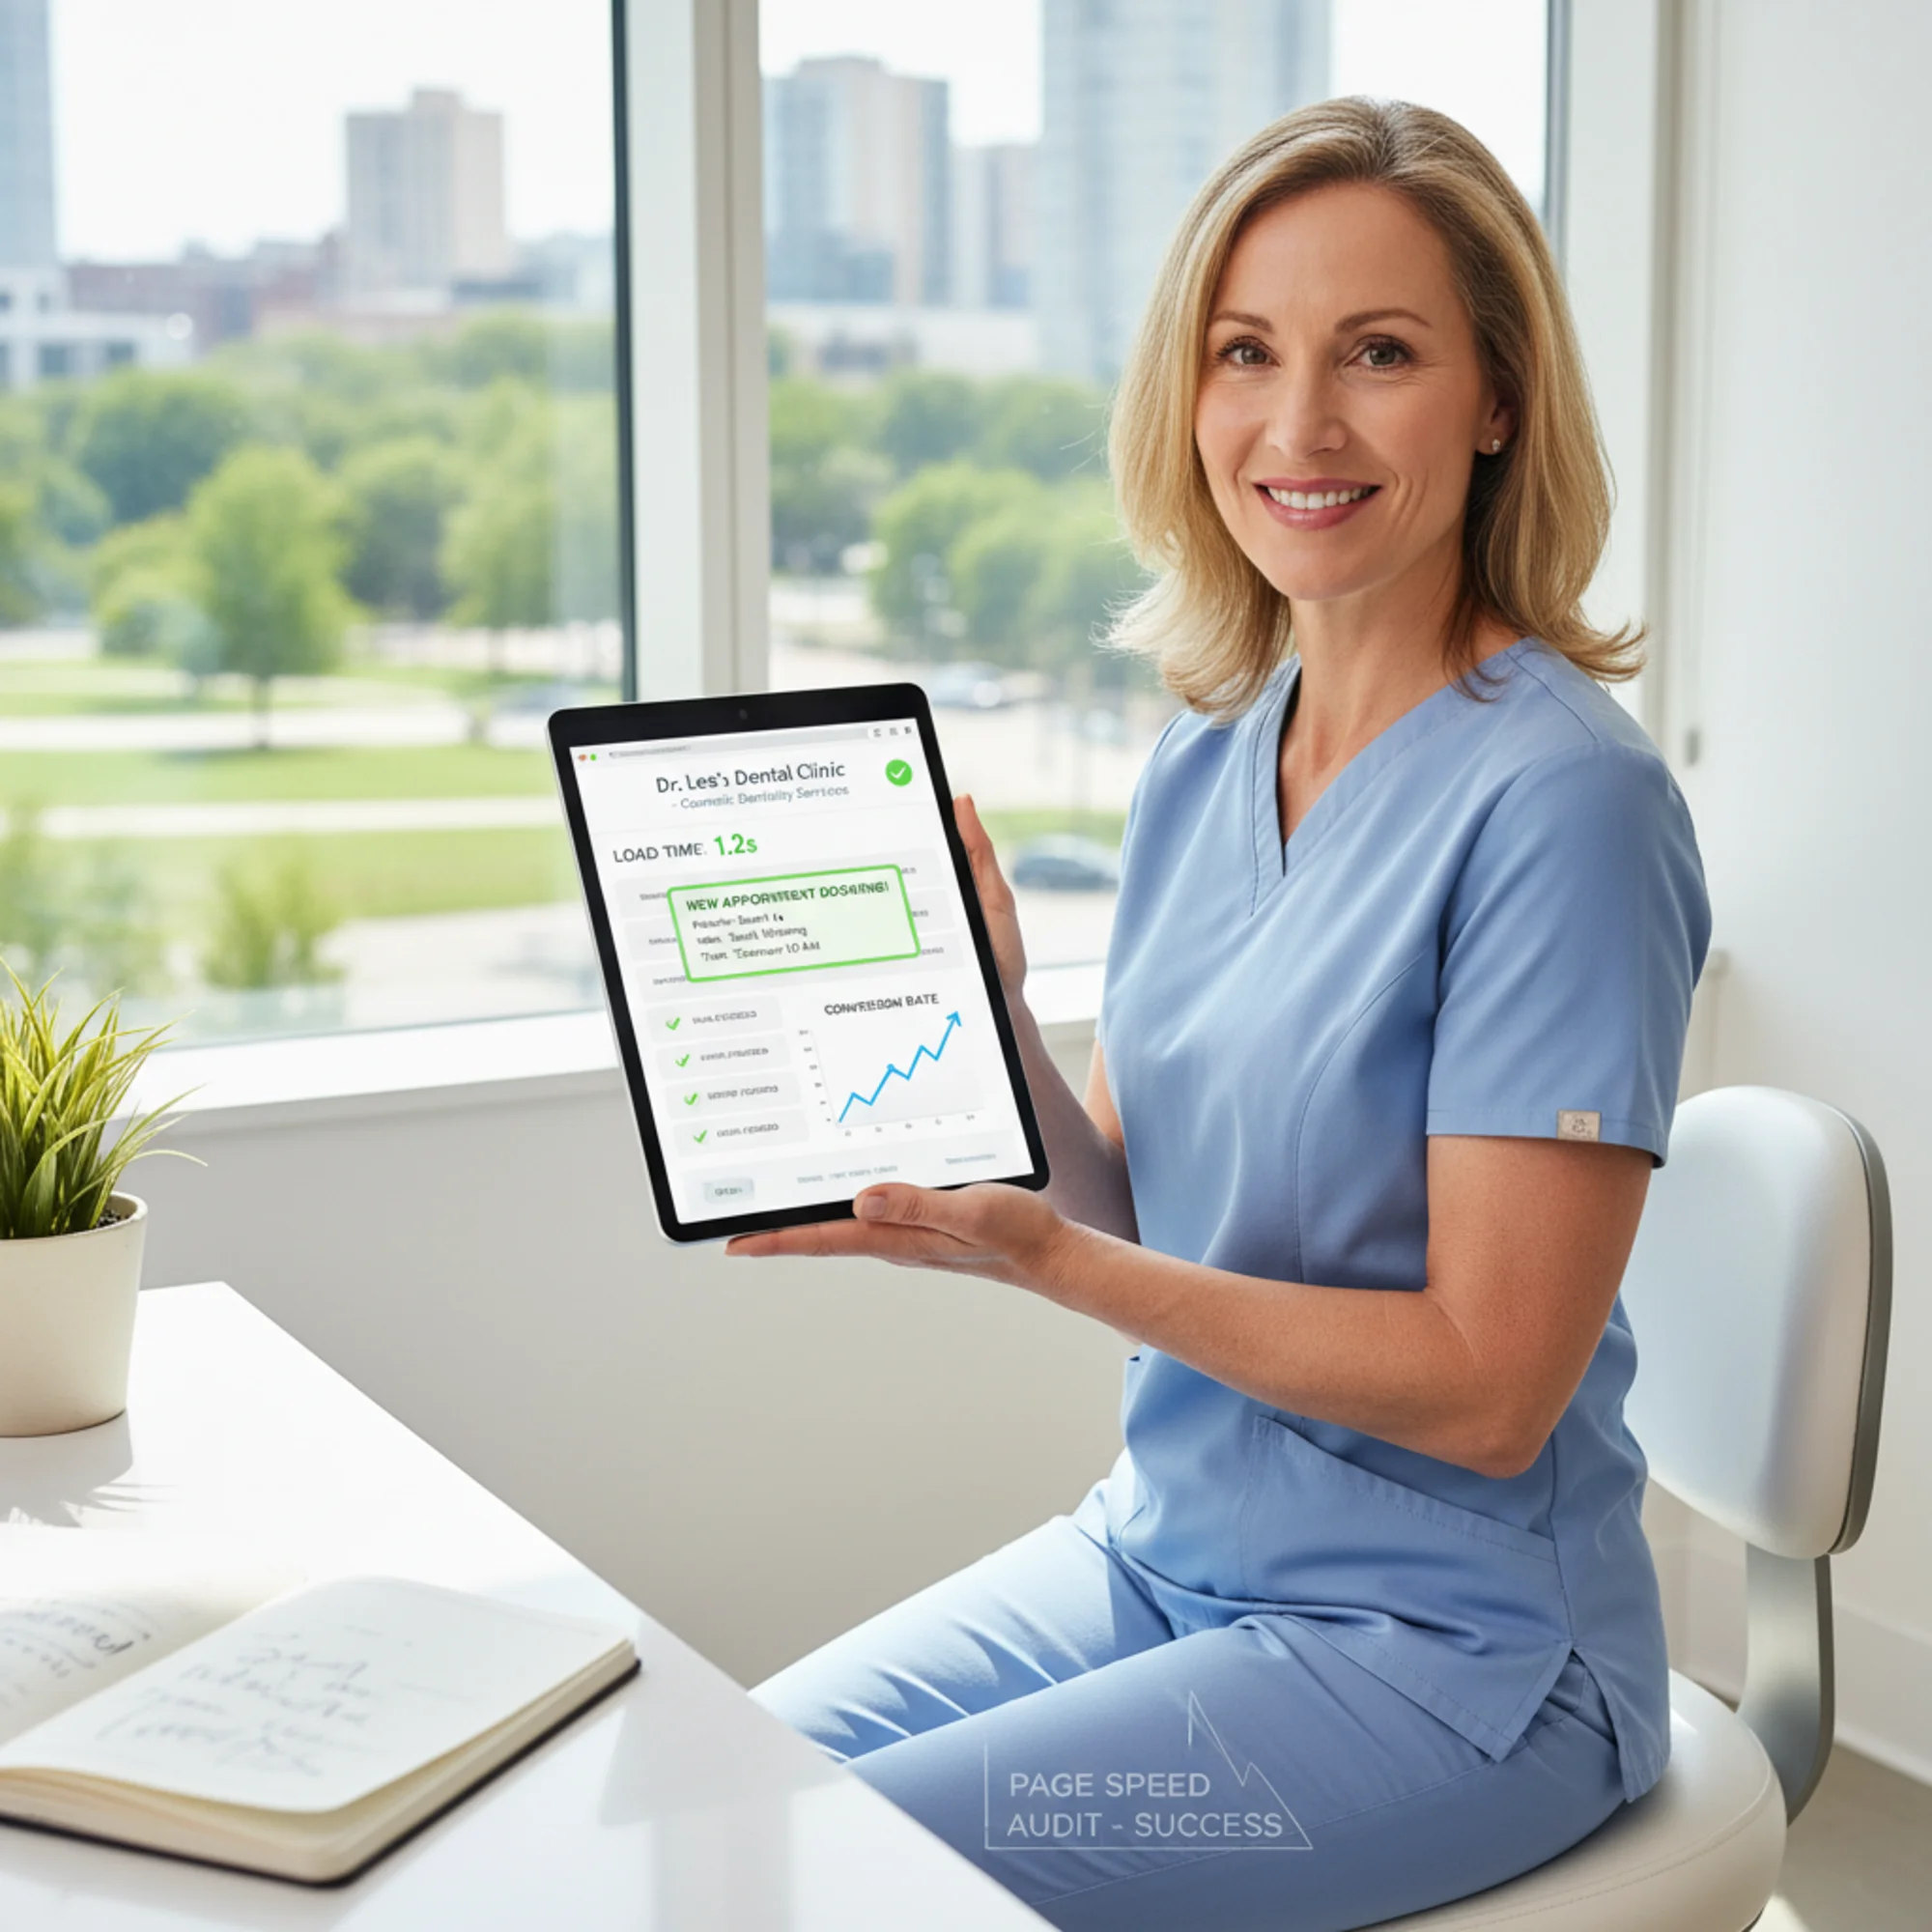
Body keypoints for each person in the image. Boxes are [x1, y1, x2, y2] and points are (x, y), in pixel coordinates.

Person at [731, 97, 1710, 1932]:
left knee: (857, 1894)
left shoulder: (1566, 804)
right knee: (722, 1813)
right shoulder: (1199, 763)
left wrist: (1041, 1267)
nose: (1300, 425)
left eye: (1382, 355)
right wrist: (1002, 1032)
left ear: (1498, 398)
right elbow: (1145, 1209)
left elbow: (1496, 1394)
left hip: (1458, 1656)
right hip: (1168, 1556)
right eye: (1246, 353)